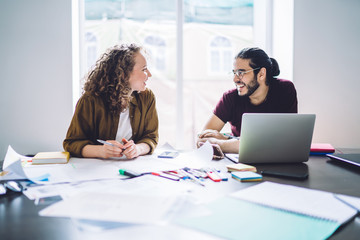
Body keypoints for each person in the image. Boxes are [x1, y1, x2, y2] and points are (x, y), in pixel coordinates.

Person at [63, 44, 158, 159]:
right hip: (96, 170)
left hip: (133, 168)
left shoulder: (147, 97)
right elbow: (71, 143)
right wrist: (100, 151)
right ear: (124, 74)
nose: (149, 74)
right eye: (144, 69)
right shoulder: (90, 100)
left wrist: (138, 149)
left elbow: (151, 137)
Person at [197, 47, 297, 153]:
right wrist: (236, 143)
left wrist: (226, 141)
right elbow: (201, 141)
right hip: (243, 166)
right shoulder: (230, 98)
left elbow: (287, 141)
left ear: (261, 74)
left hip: (279, 162)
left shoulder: (284, 89)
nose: (235, 79)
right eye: (234, 73)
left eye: (241, 73)